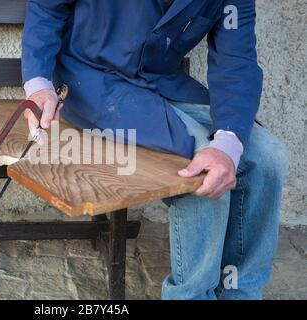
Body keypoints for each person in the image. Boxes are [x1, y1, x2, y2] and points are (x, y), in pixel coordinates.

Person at [21, 0, 289, 300]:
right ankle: (192, 296)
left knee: (267, 156)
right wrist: (38, 84)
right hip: (91, 82)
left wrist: (227, 144)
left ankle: (239, 292)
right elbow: (47, 7)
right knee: (200, 160)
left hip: (161, 82)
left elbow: (236, 62)